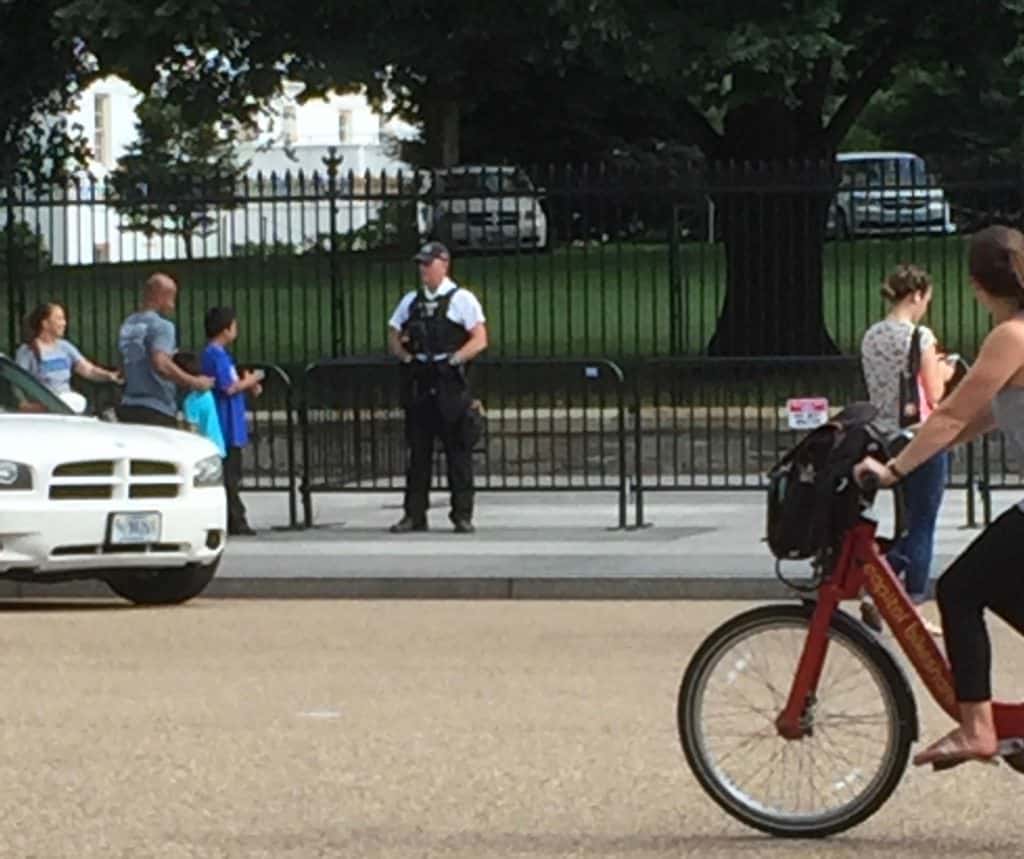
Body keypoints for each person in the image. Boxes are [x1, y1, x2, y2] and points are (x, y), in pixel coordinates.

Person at [855, 224, 1024, 770]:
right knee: (998, 590)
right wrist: (911, 451)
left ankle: (977, 729)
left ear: (977, 286)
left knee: (959, 588)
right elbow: (978, 420)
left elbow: (949, 415)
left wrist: (894, 471)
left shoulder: (1010, 336)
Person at [859, 265, 956, 635]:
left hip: (885, 436)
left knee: (905, 519)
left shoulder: (872, 336)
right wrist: (946, 372)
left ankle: (886, 591)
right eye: (925, 300)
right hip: (920, 434)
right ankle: (905, 596)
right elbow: (934, 394)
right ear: (916, 295)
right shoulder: (919, 336)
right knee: (922, 524)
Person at [387, 241, 488, 534]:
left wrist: (455, 359)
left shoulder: (462, 299)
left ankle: (462, 514)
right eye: (421, 264)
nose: (423, 270)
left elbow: (479, 338)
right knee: (418, 453)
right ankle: (414, 514)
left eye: (428, 264)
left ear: (444, 265)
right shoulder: (411, 301)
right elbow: (394, 332)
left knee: (458, 452)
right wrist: (406, 357)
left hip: (449, 384)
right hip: (421, 381)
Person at [117, 273, 213, 427]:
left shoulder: (128, 324)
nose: (173, 305)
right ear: (161, 296)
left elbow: (123, 362)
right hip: (156, 409)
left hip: (129, 405)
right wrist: (194, 382)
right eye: (171, 298)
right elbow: (161, 364)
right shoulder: (162, 326)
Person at [201, 307, 262, 537]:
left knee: (232, 473)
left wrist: (247, 383)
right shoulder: (215, 355)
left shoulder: (221, 355)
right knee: (229, 475)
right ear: (225, 329)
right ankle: (236, 518)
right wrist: (253, 379)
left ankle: (234, 517)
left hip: (231, 422)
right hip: (225, 423)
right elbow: (229, 387)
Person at [16, 303, 121, 405]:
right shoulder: (28, 351)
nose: (64, 323)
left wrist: (109, 376)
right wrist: (23, 404)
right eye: (59, 319)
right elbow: (18, 381)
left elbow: (88, 370)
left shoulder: (65, 347)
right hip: (43, 408)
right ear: (45, 323)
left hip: (66, 405)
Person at [174, 352, 226, 457]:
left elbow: (192, 430)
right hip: (216, 445)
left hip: (204, 450)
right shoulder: (206, 394)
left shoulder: (191, 401)